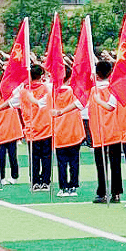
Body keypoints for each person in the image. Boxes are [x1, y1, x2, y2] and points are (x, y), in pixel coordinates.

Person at [89, 60, 123, 204]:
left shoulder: (94, 91)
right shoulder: (115, 88)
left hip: (99, 132)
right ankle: (116, 193)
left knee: (101, 164)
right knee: (115, 164)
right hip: (114, 130)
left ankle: (101, 192)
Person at [50, 66, 84, 197]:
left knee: (62, 162)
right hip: (74, 131)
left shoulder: (52, 92)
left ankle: (63, 187)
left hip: (60, 131)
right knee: (74, 161)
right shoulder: (74, 91)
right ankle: (73, 186)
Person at [20, 64, 53, 192]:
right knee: (46, 157)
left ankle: (34, 181)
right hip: (45, 128)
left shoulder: (23, 91)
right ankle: (45, 181)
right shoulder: (46, 89)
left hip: (31, 128)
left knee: (34, 157)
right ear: (41, 76)